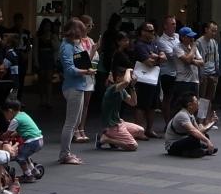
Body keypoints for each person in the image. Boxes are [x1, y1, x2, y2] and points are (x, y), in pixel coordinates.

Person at [59, 18, 96, 165]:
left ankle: (66, 152)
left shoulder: (72, 45)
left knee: (75, 122)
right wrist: (86, 72)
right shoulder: (67, 47)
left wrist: (91, 55)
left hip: (78, 86)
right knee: (71, 123)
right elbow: (70, 70)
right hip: (74, 86)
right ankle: (64, 154)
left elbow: (81, 63)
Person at [131, 21, 166, 138]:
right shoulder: (139, 45)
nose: (153, 33)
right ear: (142, 32)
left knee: (153, 105)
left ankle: (149, 129)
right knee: (140, 105)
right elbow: (148, 62)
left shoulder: (154, 43)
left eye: (153, 31)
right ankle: (138, 131)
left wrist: (156, 56)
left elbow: (164, 57)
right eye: (150, 31)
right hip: (142, 80)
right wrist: (158, 58)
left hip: (154, 78)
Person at [97, 72, 144, 151]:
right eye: (126, 76)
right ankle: (106, 139)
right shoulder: (112, 89)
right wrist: (128, 70)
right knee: (133, 146)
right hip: (111, 126)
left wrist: (132, 87)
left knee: (140, 131)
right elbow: (126, 82)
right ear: (118, 78)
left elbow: (133, 103)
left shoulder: (122, 90)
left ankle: (114, 137)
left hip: (119, 123)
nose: (129, 78)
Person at [2, 98, 44, 180]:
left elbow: (7, 134)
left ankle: (28, 175)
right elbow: (23, 130)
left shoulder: (15, 120)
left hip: (32, 142)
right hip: (39, 140)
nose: (5, 116)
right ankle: (34, 171)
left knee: (19, 157)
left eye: (5, 114)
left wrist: (1, 138)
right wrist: (12, 135)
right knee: (25, 155)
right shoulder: (23, 115)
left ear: (10, 111)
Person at [156, 16, 182, 133]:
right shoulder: (162, 41)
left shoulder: (177, 36)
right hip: (167, 73)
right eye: (172, 24)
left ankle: (176, 122)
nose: (174, 26)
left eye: (175, 23)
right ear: (165, 26)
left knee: (178, 99)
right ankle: (168, 123)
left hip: (178, 72)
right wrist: (183, 53)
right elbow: (172, 56)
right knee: (168, 98)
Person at [173, 26, 204, 108]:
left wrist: (192, 61)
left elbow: (202, 62)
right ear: (182, 37)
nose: (192, 39)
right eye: (189, 37)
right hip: (183, 81)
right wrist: (193, 49)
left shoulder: (193, 47)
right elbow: (187, 60)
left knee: (195, 105)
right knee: (182, 106)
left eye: (192, 36)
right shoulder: (177, 47)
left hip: (194, 80)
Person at [198, 21, 220, 121]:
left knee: (210, 98)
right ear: (206, 30)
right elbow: (199, 59)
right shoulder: (199, 42)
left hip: (212, 73)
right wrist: (201, 74)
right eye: (212, 30)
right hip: (204, 74)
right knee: (202, 98)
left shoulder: (214, 42)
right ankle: (201, 120)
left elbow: (216, 58)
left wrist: (216, 72)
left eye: (215, 31)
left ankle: (207, 120)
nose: (214, 33)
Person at [35, 19, 57, 111]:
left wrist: (51, 39)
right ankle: (41, 100)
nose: (47, 28)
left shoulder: (53, 36)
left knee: (49, 80)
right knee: (41, 80)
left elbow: (56, 48)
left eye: (48, 26)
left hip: (50, 59)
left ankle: (48, 101)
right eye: (45, 26)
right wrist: (36, 61)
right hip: (41, 58)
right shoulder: (38, 36)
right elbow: (35, 50)